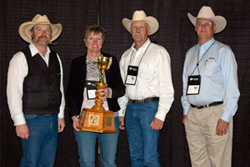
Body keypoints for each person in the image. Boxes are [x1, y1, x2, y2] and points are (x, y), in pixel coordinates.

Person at [181, 6, 240, 167]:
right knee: (198, 162)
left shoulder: (223, 52)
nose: (203, 27)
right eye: (200, 24)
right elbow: (185, 85)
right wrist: (186, 112)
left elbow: (232, 88)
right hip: (193, 115)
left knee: (219, 162)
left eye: (207, 24)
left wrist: (225, 117)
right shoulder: (190, 53)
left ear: (214, 28)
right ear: (195, 27)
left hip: (216, 114)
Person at [7, 14, 65, 167]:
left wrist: (60, 115)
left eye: (47, 30)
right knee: (30, 163)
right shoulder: (20, 58)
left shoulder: (56, 57)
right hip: (32, 120)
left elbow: (60, 88)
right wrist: (19, 121)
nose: (44, 33)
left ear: (51, 34)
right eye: (39, 29)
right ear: (31, 33)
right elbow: (13, 92)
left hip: (52, 119)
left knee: (48, 163)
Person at [118, 10, 174, 167]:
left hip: (150, 109)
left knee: (150, 158)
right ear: (130, 31)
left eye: (141, 27)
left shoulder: (159, 52)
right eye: (134, 27)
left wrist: (160, 115)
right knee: (135, 157)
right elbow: (123, 88)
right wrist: (121, 112)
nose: (137, 30)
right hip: (131, 108)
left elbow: (167, 87)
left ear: (148, 30)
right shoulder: (125, 56)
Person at [66, 24, 125, 167]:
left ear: (103, 42)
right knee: (86, 161)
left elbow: (120, 89)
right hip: (84, 117)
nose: (94, 42)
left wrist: (109, 92)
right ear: (84, 41)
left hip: (109, 116)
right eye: (91, 38)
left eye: (98, 38)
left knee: (109, 162)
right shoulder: (77, 63)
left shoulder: (111, 60)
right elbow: (71, 92)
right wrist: (74, 115)